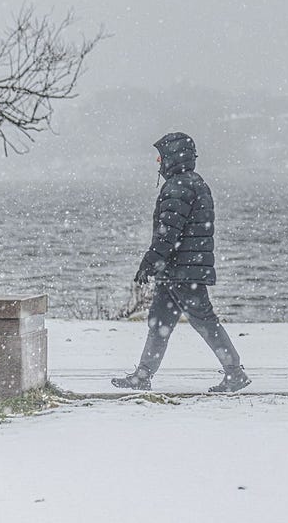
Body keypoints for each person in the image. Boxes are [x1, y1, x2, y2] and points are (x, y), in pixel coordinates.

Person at [111, 132, 251, 393]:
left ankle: (234, 372)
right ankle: (143, 375)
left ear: (172, 158)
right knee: (159, 323)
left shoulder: (178, 188)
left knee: (203, 321)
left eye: (161, 157)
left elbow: (168, 233)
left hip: (182, 271)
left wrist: (148, 262)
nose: (158, 162)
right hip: (179, 270)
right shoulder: (195, 183)